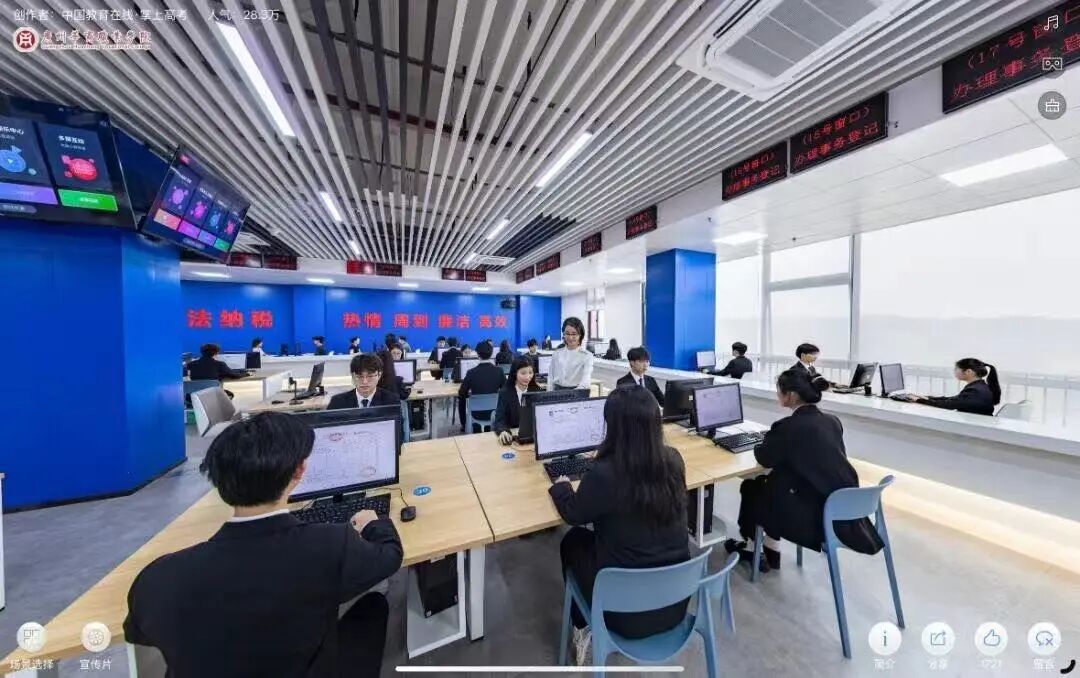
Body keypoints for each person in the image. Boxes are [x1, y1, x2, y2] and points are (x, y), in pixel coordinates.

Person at [123, 412, 402, 678]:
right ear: (299, 471)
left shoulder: (158, 578)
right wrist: (373, 523)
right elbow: (389, 555)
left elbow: (139, 633)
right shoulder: (331, 545)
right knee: (374, 605)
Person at [549, 386, 690, 664]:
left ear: (614, 427)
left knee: (572, 540)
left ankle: (581, 625)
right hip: (675, 604)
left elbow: (575, 514)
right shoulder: (673, 460)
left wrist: (562, 487)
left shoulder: (604, 473)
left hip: (623, 615)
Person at [726, 369, 882, 574]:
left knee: (752, 487)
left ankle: (752, 549)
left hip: (813, 517)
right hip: (842, 509)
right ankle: (771, 549)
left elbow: (764, 457)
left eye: (779, 390)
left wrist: (762, 442)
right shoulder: (832, 421)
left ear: (790, 395)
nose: (777, 394)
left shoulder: (788, 427)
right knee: (772, 484)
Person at [902, 358, 1000, 416]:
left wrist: (918, 400)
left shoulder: (975, 391)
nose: (954, 372)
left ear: (969, 372)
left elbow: (948, 405)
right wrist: (927, 398)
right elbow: (954, 399)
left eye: (956, 369)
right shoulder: (979, 386)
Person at [458, 341, 505, 433]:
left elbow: (462, 393)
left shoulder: (471, 372)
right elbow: (505, 390)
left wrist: (470, 395)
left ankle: (465, 425)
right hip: (495, 412)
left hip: (476, 413)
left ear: (477, 354)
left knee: (461, 400)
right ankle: (489, 428)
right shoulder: (499, 371)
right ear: (491, 353)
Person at [493, 357, 543, 444]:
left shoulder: (537, 391)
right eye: (523, 373)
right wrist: (503, 431)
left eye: (530, 372)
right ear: (514, 373)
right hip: (513, 438)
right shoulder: (505, 393)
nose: (527, 377)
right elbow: (500, 420)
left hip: (534, 438)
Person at [328, 353, 401, 410]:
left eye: (370, 376)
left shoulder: (392, 401)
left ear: (379, 375)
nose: (364, 381)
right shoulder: (337, 402)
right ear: (353, 376)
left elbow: (398, 424)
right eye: (359, 376)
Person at [547, 317, 594, 391]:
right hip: (557, 391)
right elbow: (550, 378)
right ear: (564, 334)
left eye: (574, 334)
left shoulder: (587, 356)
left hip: (577, 391)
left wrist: (572, 395)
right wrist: (549, 393)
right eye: (567, 334)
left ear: (580, 335)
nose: (570, 337)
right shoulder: (557, 353)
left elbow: (586, 381)